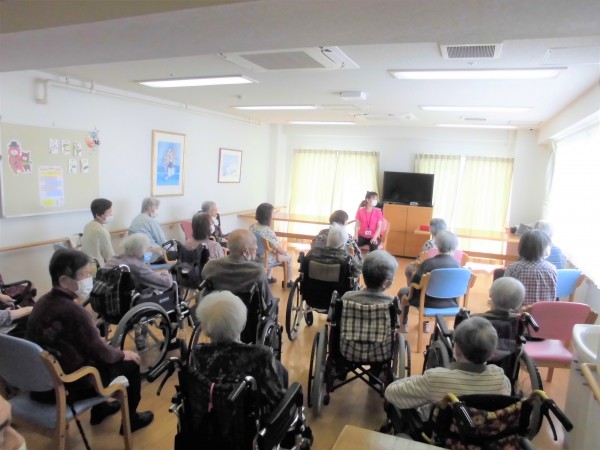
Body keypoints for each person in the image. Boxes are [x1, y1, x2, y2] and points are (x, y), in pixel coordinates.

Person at [27, 249, 153, 432]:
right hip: (68, 387)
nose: (89, 279)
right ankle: (132, 420)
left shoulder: (42, 302)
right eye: (84, 274)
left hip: (42, 384)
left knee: (96, 355)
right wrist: (123, 353)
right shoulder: (73, 311)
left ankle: (100, 410)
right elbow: (103, 354)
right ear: (64, 280)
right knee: (131, 363)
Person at [385, 316, 511, 421]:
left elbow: (391, 394)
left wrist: (413, 380)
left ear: (457, 351)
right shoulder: (500, 378)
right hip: (482, 434)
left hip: (441, 434)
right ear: (492, 354)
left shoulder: (437, 379)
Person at [193, 291, 287, 417]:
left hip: (211, 418)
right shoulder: (259, 355)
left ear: (205, 329)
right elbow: (276, 401)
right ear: (243, 325)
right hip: (250, 421)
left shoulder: (198, 353)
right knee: (281, 370)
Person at [398, 231, 461, 333]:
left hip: (427, 302)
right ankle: (431, 326)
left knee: (402, 292)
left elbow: (414, 283)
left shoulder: (428, 263)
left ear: (437, 244)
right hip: (450, 303)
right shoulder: (458, 265)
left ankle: (403, 325)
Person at [201, 229, 276, 313]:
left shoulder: (209, 267)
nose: (257, 247)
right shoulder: (258, 271)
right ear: (246, 251)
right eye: (255, 243)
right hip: (246, 317)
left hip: (216, 313)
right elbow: (268, 301)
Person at [504, 229, 557, 306]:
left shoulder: (513, 268)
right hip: (544, 311)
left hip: (519, 312)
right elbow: (552, 294)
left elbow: (505, 292)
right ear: (543, 248)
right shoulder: (552, 269)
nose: (550, 248)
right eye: (549, 246)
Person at [104, 234, 173, 292]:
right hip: (131, 300)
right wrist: (165, 273)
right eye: (148, 249)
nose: (150, 251)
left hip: (110, 297)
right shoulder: (136, 266)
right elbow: (167, 283)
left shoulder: (112, 259)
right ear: (140, 250)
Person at [249, 203, 294, 287]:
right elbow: (277, 248)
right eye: (273, 213)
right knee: (289, 257)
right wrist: (285, 252)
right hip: (266, 259)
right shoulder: (268, 232)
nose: (274, 215)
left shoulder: (252, 227)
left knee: (269, 251)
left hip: (254, 257)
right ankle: (288, 282)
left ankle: (268, 277)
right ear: (267, 216)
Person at [404, 218, 448, 284]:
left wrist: (414, 262)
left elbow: (421, 259)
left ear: (431, 229)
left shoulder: (429, 244)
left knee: (409, 269)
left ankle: (411, 288)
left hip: (429, 270)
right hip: (445, 271)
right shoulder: (451, 242)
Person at [128, 197, 167, 263]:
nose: (157, 210)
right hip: (153, 256)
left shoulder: (135, 219)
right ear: (150, 209)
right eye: (156, 208)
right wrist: (173, 252)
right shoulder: (150, 221)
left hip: (137, 257)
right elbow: (162, 240)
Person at [81, 198, 115, 267]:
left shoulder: (88, 226)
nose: (111, 214)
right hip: (97, 266)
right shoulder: (101, 231)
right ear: (98, 214)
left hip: (86, 263)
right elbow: (109, 255)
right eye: (109, 212)